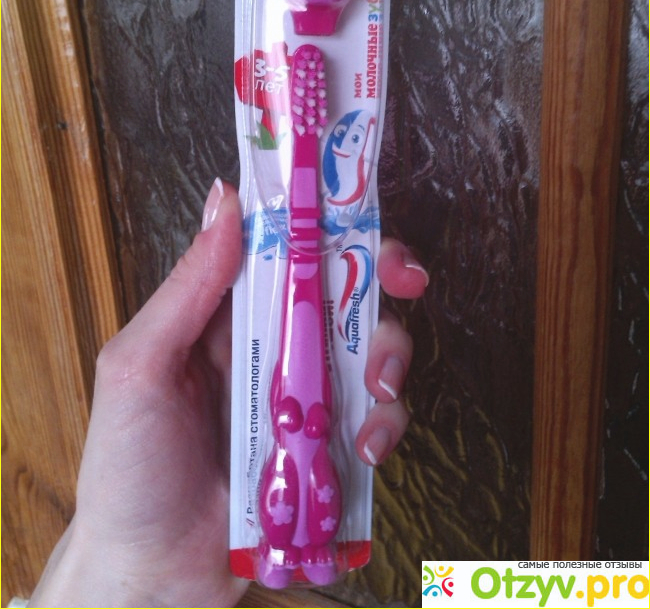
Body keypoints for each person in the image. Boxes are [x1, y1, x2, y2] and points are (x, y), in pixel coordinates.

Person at [30, 180, 428, 608]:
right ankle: (281, 551)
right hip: (286, 451)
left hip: (313, 450)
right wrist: (121, 571)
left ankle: (315, 551)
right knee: (284, 496)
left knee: (321, 495)